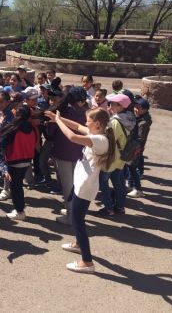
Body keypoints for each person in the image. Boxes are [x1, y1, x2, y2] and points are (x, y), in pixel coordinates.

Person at [51, 108, 116, 274]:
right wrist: (59, 118)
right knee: (75, 214)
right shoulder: (97, 133)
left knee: (77, 221)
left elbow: (72, 137)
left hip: (85, 186)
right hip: (81, 181)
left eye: (88, 120)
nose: (86, 123)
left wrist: (57, 121)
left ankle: (87, 261)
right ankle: (78, 244)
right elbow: (77, 127)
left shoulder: (99, 139)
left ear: (97, 124)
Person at [45, 87, 89, 223]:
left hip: (63, 152)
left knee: (67, 186)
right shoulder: (87, 112)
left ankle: (71, 216)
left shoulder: (63, 111)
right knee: (76, 186)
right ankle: (74, 211)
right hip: (80, 153)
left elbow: (51, 132)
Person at [0, 105, 38, 221]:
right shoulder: (32, 128)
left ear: (17, 114)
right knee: (18, 186)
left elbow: (2, 141)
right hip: (26, 161)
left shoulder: (14, 128)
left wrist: (1, 124)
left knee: (15, 188)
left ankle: (19, 211)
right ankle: (20, 209)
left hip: (14, 162)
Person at [99, 93, 135, 216]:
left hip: (112, 157)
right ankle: (120, 207)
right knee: (118, 182)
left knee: (103, 182)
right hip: (122, 156)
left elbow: (108, 140)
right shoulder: (130, 118)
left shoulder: (115, 122)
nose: (110, 106)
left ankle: (108, 208)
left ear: (120, 106)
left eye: (112, 104)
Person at [127, 97, 152, 198]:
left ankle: (138, 190)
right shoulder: (139, 118)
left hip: (135, 149)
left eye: (138, 108)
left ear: (145, 109)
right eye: (135, 107)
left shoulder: (143, 123)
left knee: (132, 168)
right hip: (134, 148)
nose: (135, 109)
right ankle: (130, 184)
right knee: (130, 167)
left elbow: (140, 139)